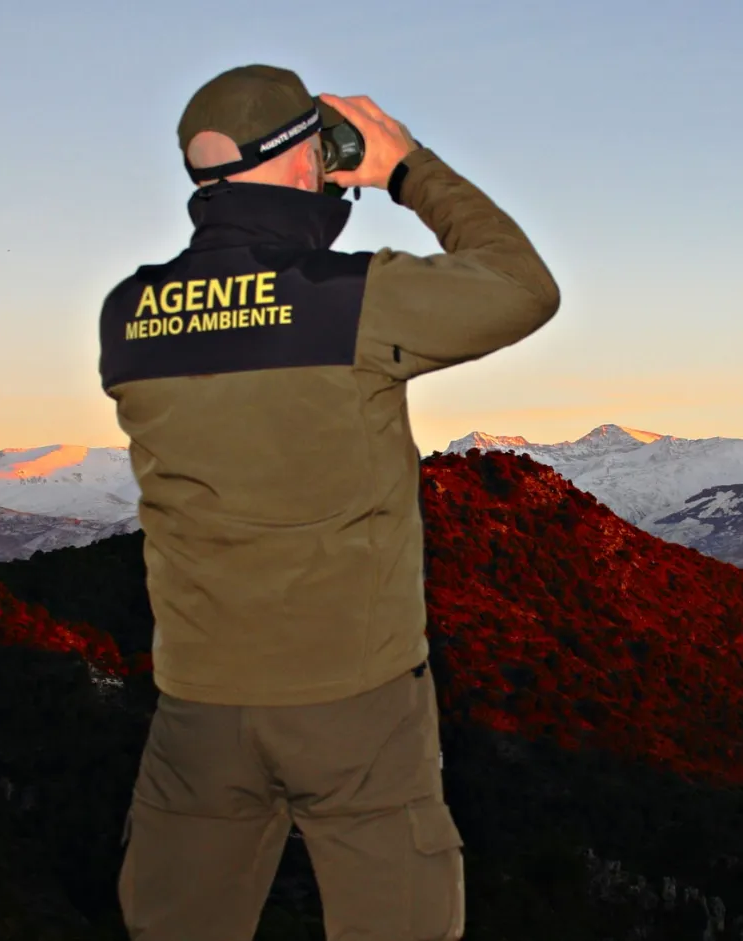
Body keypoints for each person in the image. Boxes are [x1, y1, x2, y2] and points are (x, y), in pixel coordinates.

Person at [97, 64, 560, 940]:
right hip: (356, 703)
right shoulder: (349, 298)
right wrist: (405, 168)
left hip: (197, 704)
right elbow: (522, 287)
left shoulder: (127, 315)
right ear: (306, 156)